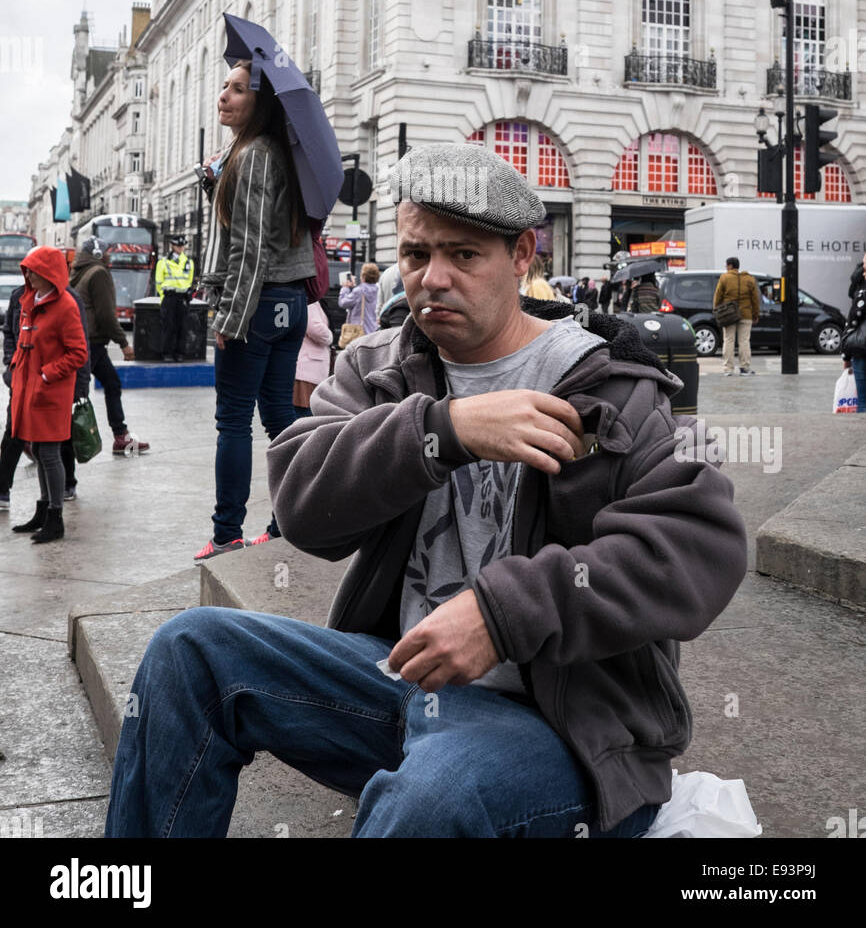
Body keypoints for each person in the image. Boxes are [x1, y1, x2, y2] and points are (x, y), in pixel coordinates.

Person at [104, 141, 747, 840]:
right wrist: (443, 431)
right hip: (395, 682)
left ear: (523, 254)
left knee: (432, 801)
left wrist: (506, 615)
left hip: (562, 727)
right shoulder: (378, 366)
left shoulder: (618, 384)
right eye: (416, 255)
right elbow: (302, 507)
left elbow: (700, 547)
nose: (433, 278)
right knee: (189, 649)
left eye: (464, 255)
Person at [196, 58, 315, 561]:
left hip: (258, 305)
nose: (224, 96)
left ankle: (227, 534)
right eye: (224, 86)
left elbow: (250, 248)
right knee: (280, 418)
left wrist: (229, 315)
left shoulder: (255, 156)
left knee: (233, 421)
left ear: (260, 102)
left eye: (239, 89)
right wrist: (214, 184)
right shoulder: (265, 155)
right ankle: (287, 523)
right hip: (287, 305)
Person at [8, 246, 88, 544]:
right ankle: (43, 511)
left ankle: (55, 518)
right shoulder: (31, 300)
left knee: (50, 454)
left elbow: (78, 352)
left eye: (32, 269)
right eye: (25, 268)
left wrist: (46, 374)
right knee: (39, 451)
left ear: (48, 273)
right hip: (30, 390)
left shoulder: (65, 304)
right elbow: (22, 342)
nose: (26, 273)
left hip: (50, 392)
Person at [69, 238, 149, 457]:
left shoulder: (78, 272)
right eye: (106, 252)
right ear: (97, 254)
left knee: (111, 383)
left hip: (86, 340)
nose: (110, 256)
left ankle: (121, 436)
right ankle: (35, 438)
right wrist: (124, 343)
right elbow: (105, 314)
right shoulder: (99, 273)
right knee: (76, 393)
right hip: (92, 342)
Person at [713, 257, 760, 377]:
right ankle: (744, 368)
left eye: (726, 265)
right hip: (746, 314)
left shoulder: (725, 278)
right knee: (744, 341)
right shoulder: (749, 279)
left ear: (729, 266)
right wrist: (756, 314)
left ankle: (728, 369)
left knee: (729, 340)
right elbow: (755, 299)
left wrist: (716, 310)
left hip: (729, 314)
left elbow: (718, 296)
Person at [155, 233, 195, 362]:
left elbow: (189, 281)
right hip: (169, 297)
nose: (181, 248)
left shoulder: (189, 262)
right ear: (172, 246)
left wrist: (187, 294)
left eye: (182, 246)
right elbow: (158, 282)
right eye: (178, 246)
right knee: (168, 326)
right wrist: (163, 299)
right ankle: (167, 353)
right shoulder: (163, 262)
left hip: (182, 298)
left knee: (182, 327)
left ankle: (180, 353)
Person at [292, 300, 333, 419]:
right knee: (305, 414)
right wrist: (330, 337)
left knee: (303, 413)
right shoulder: (311, 302)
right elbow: (316, 328)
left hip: (306, 367)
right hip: (308, 367)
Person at [842, 251, 866, 411]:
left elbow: (852, 322)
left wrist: (846, 356)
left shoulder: (862, 294)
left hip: (861, 349)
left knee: (863, 401)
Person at [338, 264, 380, 339]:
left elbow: (342, 303)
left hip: (359, 331)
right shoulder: (378, 289)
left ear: (363, 277)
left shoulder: (359, 291)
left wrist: (345, 288)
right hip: (373, 330)